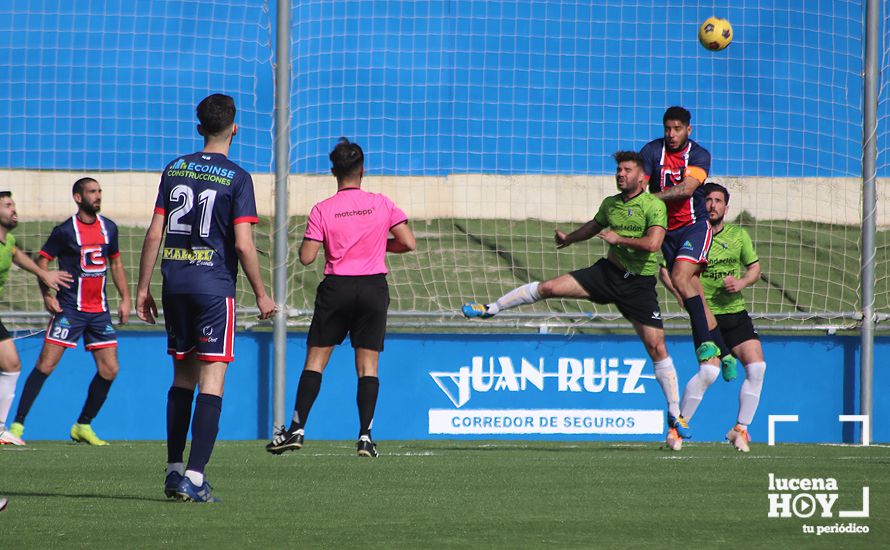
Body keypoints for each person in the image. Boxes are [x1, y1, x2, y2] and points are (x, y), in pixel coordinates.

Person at [461, 151, 690, 450]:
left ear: (642, 177)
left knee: (657, 347)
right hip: (608, 273)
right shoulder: (610, 204)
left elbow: (653, 244)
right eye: (618, 169)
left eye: (627, 170)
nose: (620, 174)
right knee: (548, 288)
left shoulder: (653, 205)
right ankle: (491, 308)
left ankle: (674, 413)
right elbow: (594, 227)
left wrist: (619, 240)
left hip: (639, 287)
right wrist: (569, 238)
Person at [136, 94, 276, 502]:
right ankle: (194, 479)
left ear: (200, 128)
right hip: (213, 287)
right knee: (212, 382)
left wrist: (143, 289)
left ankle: (174, 468)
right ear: (235, 128)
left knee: (182, 378)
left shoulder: (175, 168)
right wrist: (263, 295)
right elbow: (245, 246)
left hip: (174, 283)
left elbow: (153, 234)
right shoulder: (237, 177)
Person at [265, 138, 415, 459]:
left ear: (333, 171)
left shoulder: (322, 209)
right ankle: (365, 436)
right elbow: (408, 242)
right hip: (373, 289)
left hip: (337, 289)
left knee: (315, 362)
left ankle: (297, 428)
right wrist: (377, 245)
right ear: (363, 169)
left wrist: (314, 243)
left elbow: (307, 258)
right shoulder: (381, 203)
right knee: (368, 367)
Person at [10, 179, 129, 446]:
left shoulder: (109, 228)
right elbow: (43, 261)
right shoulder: (64, 231)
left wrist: (126, 298)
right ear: (78, 197)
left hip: (99, 311)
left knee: (110, 369)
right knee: (45, 365)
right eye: (92, 192)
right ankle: (17, 425)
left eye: (99, 191)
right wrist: (46, 296)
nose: (97, 196)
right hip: (69, 310)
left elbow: (117, 263)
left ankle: (83, 425)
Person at [660, 182, 766, 453]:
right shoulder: (692, 235)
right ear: (700, 205)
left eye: (718, 201)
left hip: (735, 313)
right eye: (708, 200)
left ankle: (740, 429)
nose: (713, 205)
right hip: (706, 313)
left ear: (726, 207)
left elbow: (754, 269)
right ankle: (677, 428)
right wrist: (680, 294)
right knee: (709, 372)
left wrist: (741, 283)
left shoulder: (738, 235)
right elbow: (665, 270)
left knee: (757, 368)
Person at [0, 191, 73, 445]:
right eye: (8, 205)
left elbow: (21, 258)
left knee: (11, 364)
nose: (14, 209)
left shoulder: (8, 241)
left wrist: (45, 276)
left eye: (14, 204)